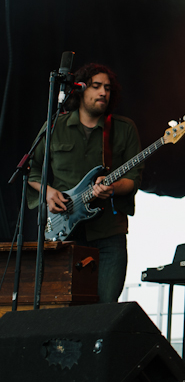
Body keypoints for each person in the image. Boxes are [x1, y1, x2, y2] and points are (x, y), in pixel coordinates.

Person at [28, 64, 142, 304]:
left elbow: (133, 179)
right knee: (62, 307)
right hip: (64, 233)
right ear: (79, 90)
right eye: (96, 86)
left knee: (104, 307)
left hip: (109, 233)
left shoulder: (123, 129)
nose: (103, 92)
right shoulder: (55, 126)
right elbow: (31, 170)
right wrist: (48, 193)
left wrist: (112, 187)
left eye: (108, 88)